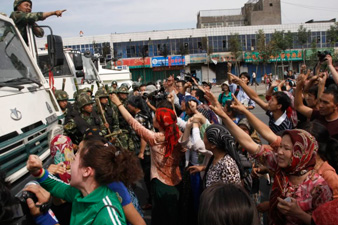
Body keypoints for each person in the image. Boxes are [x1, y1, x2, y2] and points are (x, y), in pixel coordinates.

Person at [205, 91, 333, 225]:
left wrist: (298, 214)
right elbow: (249, 143)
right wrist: (223, 116)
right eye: (280, 147)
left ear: (302, 154)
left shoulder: (320, 187)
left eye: (287, 149)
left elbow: (325, 222)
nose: (280, 152)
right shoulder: (279, 165)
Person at [110, 93, 184, 225]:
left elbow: (133, 123)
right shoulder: (178, 134)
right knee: (175, 215)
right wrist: (171, 105)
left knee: (162, 217)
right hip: (177, 181)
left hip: (161, 184)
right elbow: (173, 119)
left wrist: (119, 104)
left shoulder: (155, 139)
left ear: (159, 123)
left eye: (156, 117)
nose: (153, 117)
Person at [26, 140, 129, 225]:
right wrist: (38, 171)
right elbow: (59, 187)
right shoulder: (80, 193)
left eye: (74, 160)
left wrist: (43, 217)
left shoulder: (107, 217)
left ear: (86, 171)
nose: (70, 164)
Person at [185, 123, 243, 189]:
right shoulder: (215, 157)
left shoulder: (228, 165)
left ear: (213, 145)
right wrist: (203, 168)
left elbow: (231, 193)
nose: (203, 140)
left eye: (205, 137)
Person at [295, 74, 338, 140]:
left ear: (336, 106)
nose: (320, 105)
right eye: (320, 101)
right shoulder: (318, 115)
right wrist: (299, 86)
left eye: (325, 103)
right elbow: (299, 106)